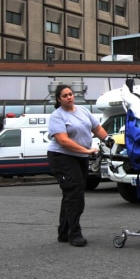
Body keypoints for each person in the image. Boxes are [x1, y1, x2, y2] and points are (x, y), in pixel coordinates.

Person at [47, 84, 113, 247]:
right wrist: (86, 150)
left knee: (71, 194)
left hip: (80, 157)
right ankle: (74, 233)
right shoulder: (57, 116)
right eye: (65, 95)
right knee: (75, 194)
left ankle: (64, 233)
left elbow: (97, 128)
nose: (69, 97)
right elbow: (63, 140)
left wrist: (107, 139)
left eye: (70, 94)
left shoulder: (82, 110)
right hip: (62, 157)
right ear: (59, 99)